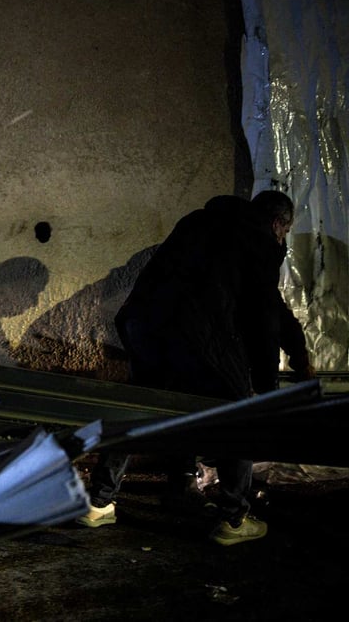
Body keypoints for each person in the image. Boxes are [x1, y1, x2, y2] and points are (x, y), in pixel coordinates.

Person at [77, 190, 314, 546]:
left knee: (142, 407)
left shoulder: (199, 221)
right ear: (279, 223)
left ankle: (100, 503)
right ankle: (233, 520)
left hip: (144, 325)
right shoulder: (258, 241)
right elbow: (266, 317)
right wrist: (270, 386)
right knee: (238, 416)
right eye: (285, 231)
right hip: (198, 334)